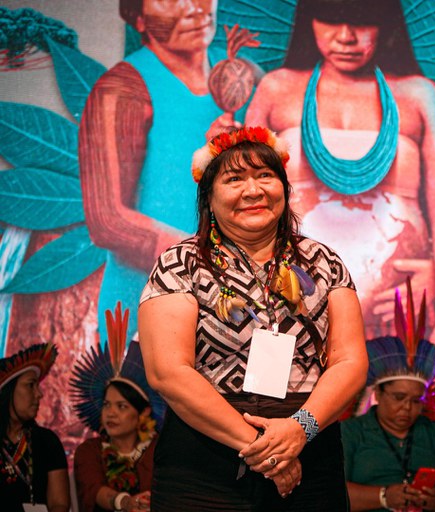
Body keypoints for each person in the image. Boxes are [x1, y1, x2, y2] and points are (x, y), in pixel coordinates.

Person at [138, 126, 368, 510]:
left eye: (265, 175)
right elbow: (167, 372)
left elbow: (350, 362)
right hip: (206, 463)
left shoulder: (324, 262)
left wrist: (300, 429)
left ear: (284, 188)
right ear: (209, 199)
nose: (253, 190)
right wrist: (264, 449)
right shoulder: (179, 264)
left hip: (308, 453)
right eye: (234, 179)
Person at [244, 0, 435, 361]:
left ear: (385, 22)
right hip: (284, 308)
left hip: (395, 312)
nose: (346, 37)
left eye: (362, 22)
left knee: (393, 415)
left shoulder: (420, 95)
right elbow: (244, 205)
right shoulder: (276, 89)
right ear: (308, 19)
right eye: (331, 19)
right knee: (273, 410)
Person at [79, 0, 254, 342]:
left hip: (236, 301)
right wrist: (211, 266)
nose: (194, 8)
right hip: (150, 300)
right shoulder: (121, 90)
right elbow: (107, 219)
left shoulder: (238, 72)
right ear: (139, 17)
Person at [341, 282, 435, 512]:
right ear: (378, 393)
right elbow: (333, 492)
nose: (407, 408)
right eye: (398, 397)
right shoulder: (351, 432)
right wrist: (383, 497)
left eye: (416, 401)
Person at [70, 302, 167, 512]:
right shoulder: (90, 451)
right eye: (107, 405)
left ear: (144, 412)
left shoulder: (160, 450)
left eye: (122, 406)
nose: (111, 413)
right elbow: (92, 489)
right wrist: (125, 502)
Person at [0, 342, 70, 512]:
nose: (39, 394)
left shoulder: (47, 441)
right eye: (30, 385)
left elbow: (59, 504)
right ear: (7, 391)